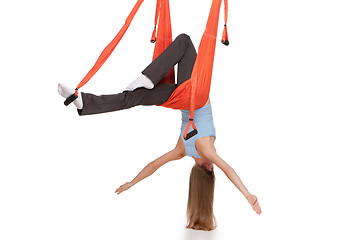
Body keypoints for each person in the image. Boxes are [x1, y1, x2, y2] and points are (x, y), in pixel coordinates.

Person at [58, 33, 262, 231]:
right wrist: (133, 182)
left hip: (191, 96)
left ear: (209, 170)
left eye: (213, 170)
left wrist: (249, 195)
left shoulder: (206, 151)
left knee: (183, 42)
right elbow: (154, 165)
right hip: (183, 93)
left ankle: (144, 79)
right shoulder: (183, 150)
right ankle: (84, 102)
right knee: (136, 95)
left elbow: (229, 170)